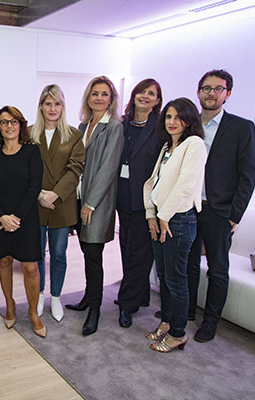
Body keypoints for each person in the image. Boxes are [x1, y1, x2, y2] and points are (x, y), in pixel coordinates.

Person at [187, 70, 255, 343]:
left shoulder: (242, 128)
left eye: (218, 89)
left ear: (228, 94)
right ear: (198, 92)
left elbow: (248, 175)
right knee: (188, 263)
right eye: (206, 88)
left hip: (219, 211)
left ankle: (210, 321)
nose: (212, 93)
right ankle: (187, 310)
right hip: (189, 207)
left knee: (217, 269)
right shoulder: (188, 126)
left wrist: (234, 215)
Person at [143, 97, 207, 353]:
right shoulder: (168, 146)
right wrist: (151, 213)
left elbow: (185, 186)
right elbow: (154, 183)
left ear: (189, 120)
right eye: (168, 116)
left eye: (178, 117)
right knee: (164, 276)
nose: (172, 121)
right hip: (162, 216)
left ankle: (179, 333)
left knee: (176, 279)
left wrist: (164, 216)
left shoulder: (195, 144)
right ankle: (167, 322)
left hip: (178, 220)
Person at [65, 76, 124, 337]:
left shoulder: (114, 127)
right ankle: (88, 297)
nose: (99, 98)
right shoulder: (82, 126)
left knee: (93, 255)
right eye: (94, 94)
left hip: (96, 202)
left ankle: (95, 310)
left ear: (111, 99)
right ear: (88, 98)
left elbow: (109, 168)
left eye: (104, 94)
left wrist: (90, 203)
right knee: (86, 252)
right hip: (78, 198)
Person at [0, 105, 46, 338]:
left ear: (21, 125)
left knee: (30, 267)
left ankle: (33, 312)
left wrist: (16, 217)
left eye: (14, 121)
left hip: (25, 216)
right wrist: (1, 216)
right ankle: (9, 304)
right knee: (4, 261)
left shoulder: (32, 151)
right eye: (4, 122)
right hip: (0, 216)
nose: (9, 126)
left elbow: (34, 186)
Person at [30, 84, 85, 322]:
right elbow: (24, 168)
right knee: (37, 254)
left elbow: (75, 169)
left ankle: (55, 296)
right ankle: (39, 295)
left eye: (57, 104)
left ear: (63, 106)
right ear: (41, 106)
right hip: (36, 203)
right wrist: (39, 194)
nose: (53, 108)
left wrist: (54, 194)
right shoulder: (29, 134)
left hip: (61, 203)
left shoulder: (73, 135)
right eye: (48, 103)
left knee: (59, 254)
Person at [115, 79, 163, 328]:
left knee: (139, 253)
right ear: (133, 96)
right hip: (122, 197)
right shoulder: (122, 124)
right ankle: (140, 294)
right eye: (141, 91)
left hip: (146, 200)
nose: (145, 96)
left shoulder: (161, 127)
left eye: (151, 93)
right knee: (126, 247)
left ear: (157, 101)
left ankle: (126, 304)